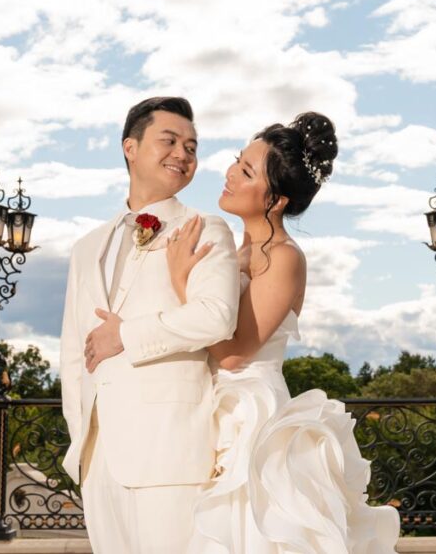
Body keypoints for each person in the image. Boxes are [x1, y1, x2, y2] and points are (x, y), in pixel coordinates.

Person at [166, 112, 401, 553]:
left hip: (254, 420)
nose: (231, 173)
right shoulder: (238, 250)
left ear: (275, 200)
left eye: (247, 171)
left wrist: (182, 284)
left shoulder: (284, 257)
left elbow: (236, 354)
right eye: (238, 161)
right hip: (213, 405)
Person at [59, 96, 240, 553]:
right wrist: (80, 440)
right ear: (130, 148)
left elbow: (217, 316)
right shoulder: (86, 248)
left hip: (170, 451)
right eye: (170, 140)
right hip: (99, 461)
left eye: (192, 146)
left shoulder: (205, 228)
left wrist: (126, 334)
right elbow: (72, 353)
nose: (183, 154)